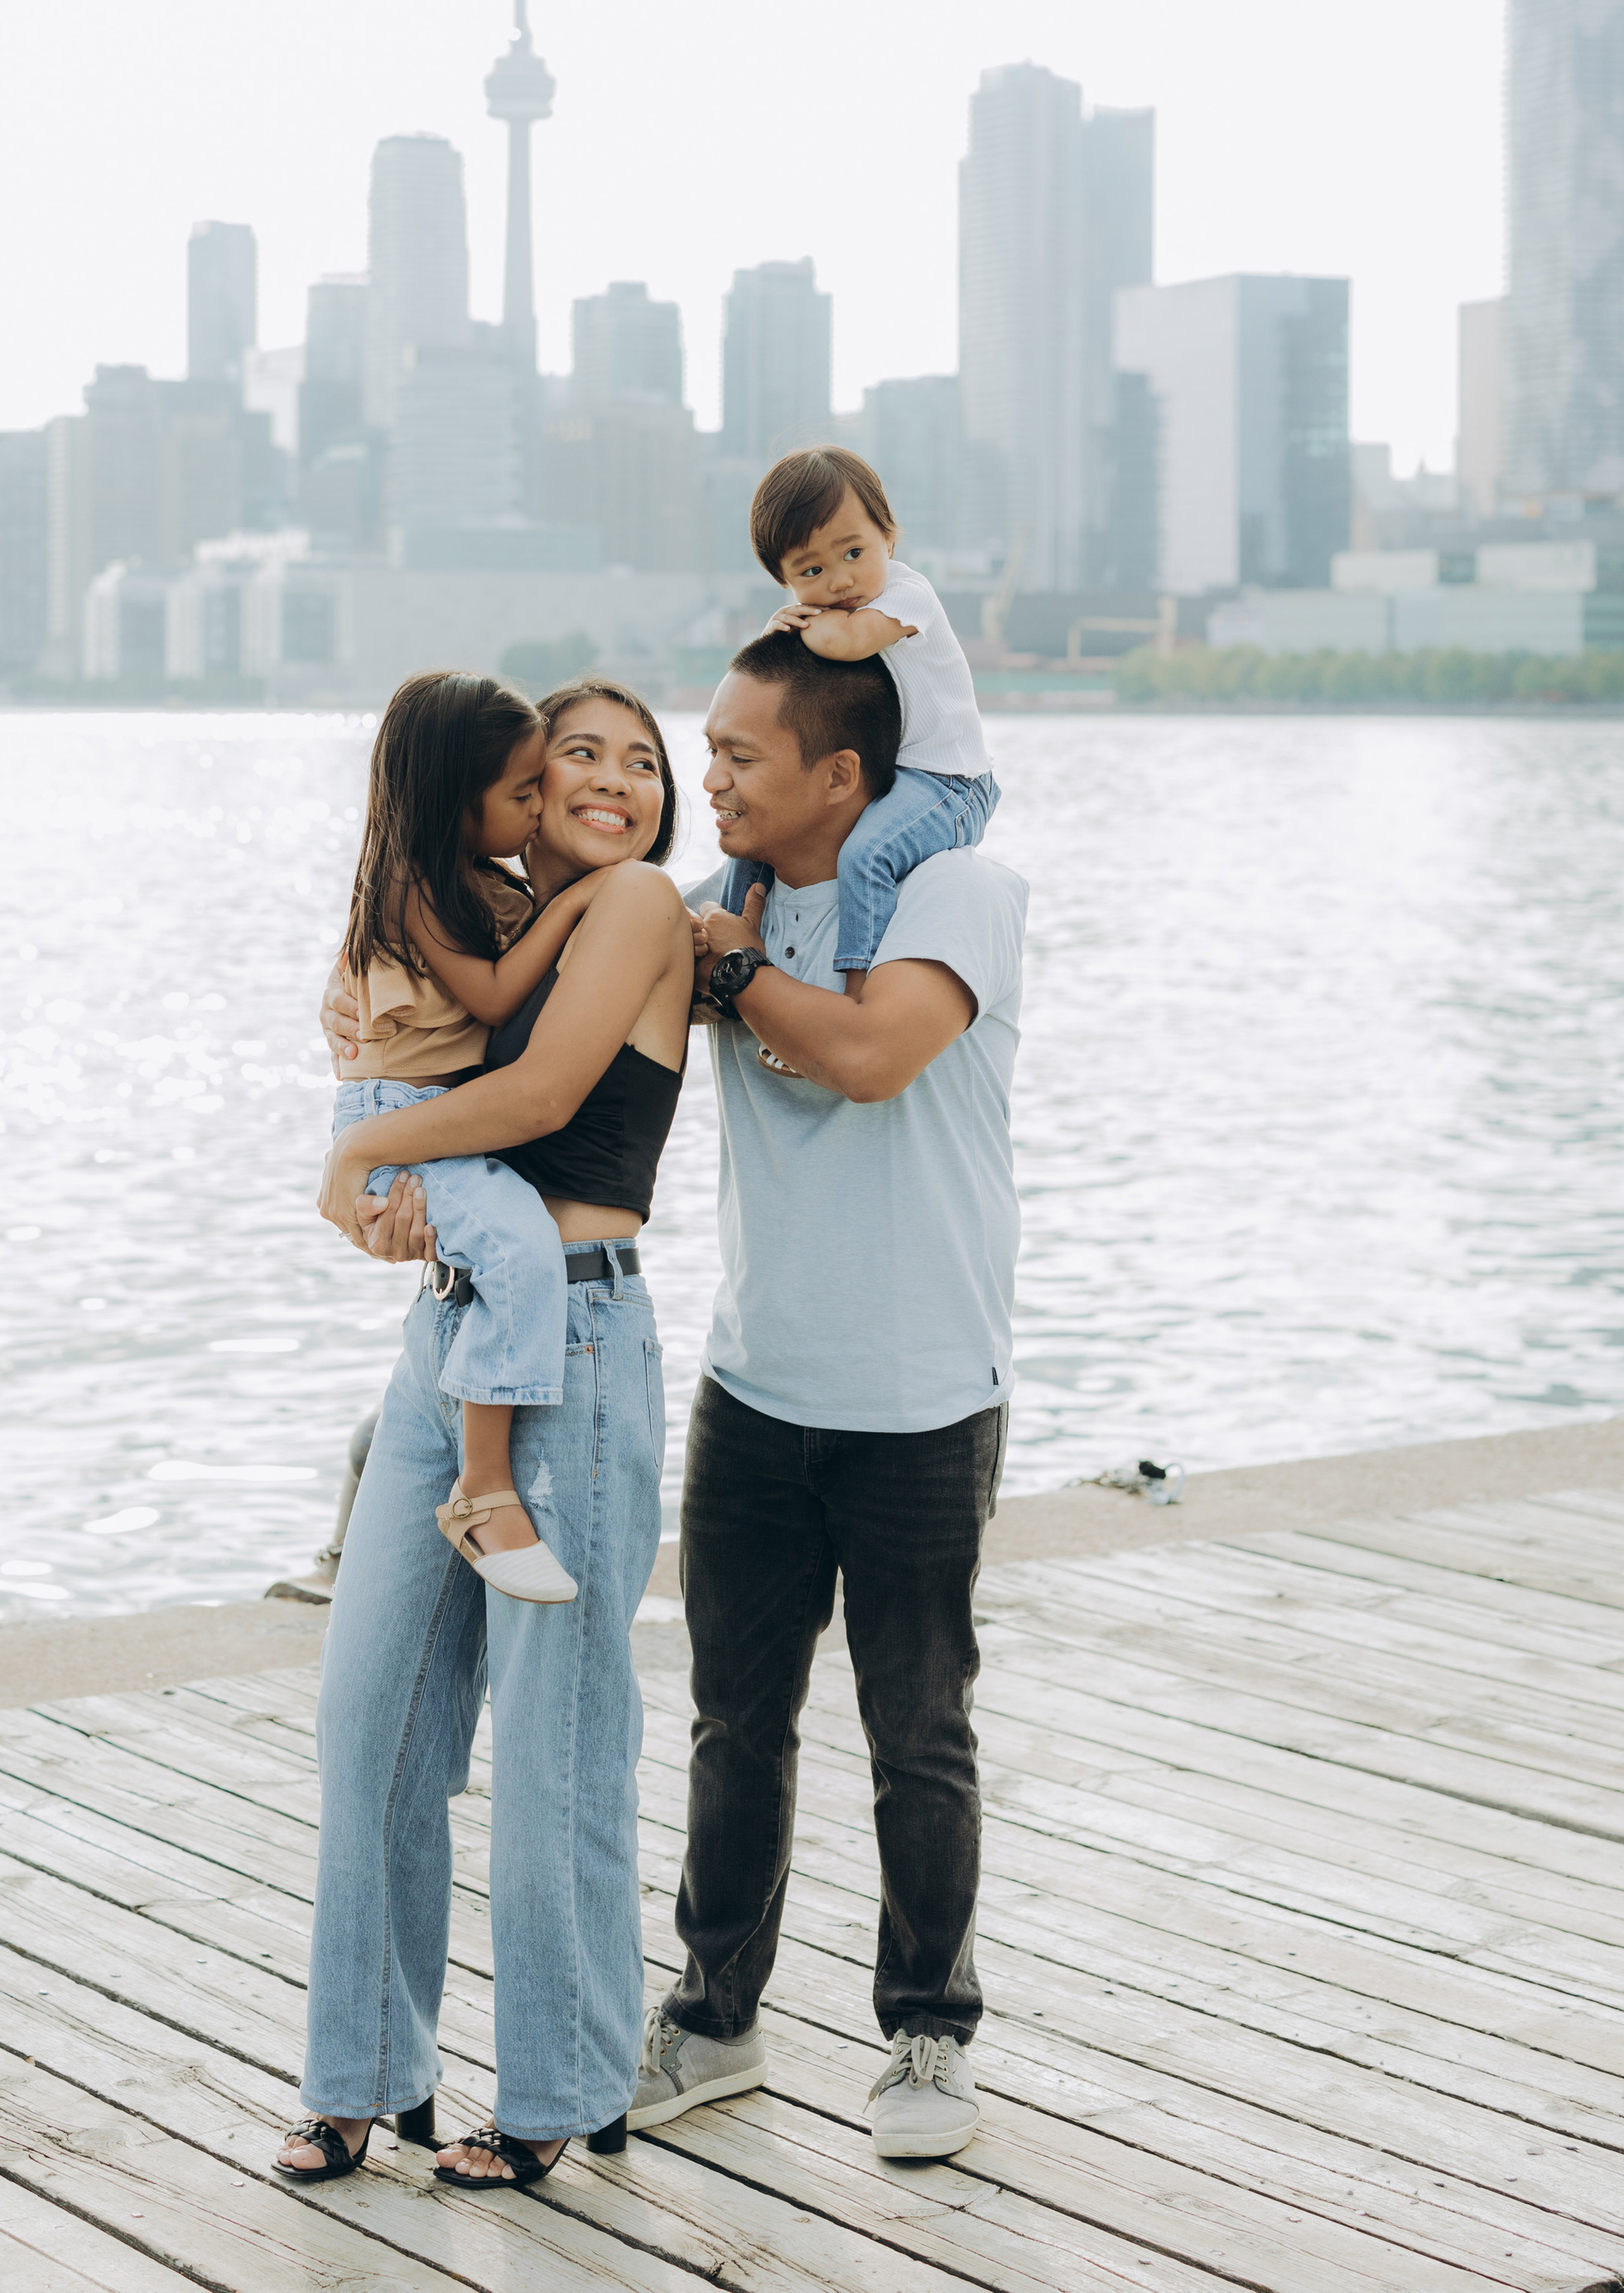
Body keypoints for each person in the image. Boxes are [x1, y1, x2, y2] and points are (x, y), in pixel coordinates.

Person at [277, 678, 694, 2199]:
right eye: (572, 757)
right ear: (512, 791)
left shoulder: (639, 903)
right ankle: (361, 2077)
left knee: (558, 1749)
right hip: (454, 1337)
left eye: (643, 761)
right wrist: (393, 1197)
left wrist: (361, 1147)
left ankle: (561, 2095)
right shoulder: (519, 924)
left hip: (575, 1338)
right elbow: (465, 1104)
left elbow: (539, 1095)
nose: (609, 780)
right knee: (371, 1714)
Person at [637, 626, 1027, 2165]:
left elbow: (871, 1054)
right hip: (757, 1386)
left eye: (739, 754)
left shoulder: (956, 892)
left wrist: (728, 970)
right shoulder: (712, 906)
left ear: (842, 775)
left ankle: (928, 2038)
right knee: (738, 1723)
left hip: (924, 1391)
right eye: (707, 747)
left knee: (917, 1728)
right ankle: (716, 2019)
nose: (707, 773)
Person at [334, 669, 619, 1602]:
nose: (539, 809)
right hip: (401, 1121)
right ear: (460, 803)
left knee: (506, 1253)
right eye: (522, 792)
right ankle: (482, 1487)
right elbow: (498, 997)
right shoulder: (412, 888)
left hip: (434, 1122)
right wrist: (576, 907)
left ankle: (470, 1470)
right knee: (522, 1250)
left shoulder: (482, 888)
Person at [719, 447, 1000, 996]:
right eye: (813, 570)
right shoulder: (829, 611)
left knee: (867, 854)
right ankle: (729, 950)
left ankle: (854, 991)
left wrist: (794, 625)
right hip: (892, 776)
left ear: (888, 537)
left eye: (853, 552)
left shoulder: (907, 594)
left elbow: (848, 642)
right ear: (786, 579)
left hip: (951, 782)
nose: (841, 580)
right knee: (753, 839)